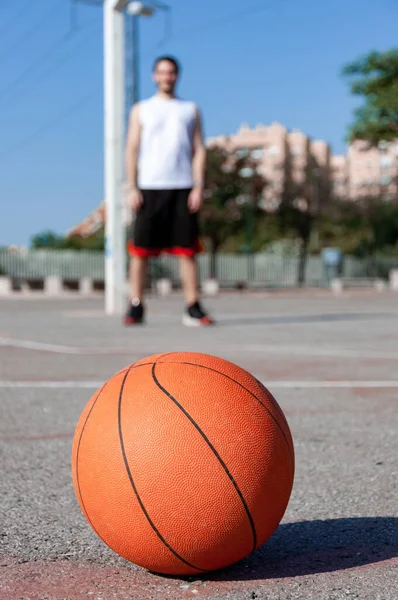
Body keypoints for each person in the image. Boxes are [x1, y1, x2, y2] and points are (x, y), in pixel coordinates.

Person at [124, 55, 214, 327]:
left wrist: (198, 186)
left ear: (177, 75)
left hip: (183, 187)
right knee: (140, 251)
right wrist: (132, 186)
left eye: (171, 72)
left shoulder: (189, 109)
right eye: (162, 72)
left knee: (187, 251)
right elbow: (132, 149)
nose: (167, 77)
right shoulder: (141, 109)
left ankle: (192, 306)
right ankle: (136, 305)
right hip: (149, 187)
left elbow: (199, 149)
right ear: (154, 76)